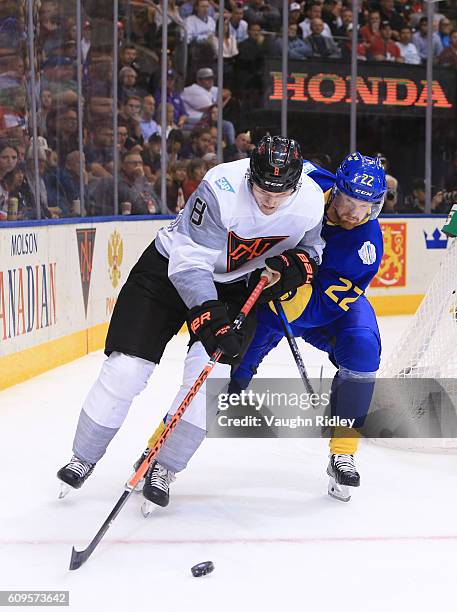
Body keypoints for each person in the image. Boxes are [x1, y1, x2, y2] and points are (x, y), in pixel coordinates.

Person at [57, 136, 326, 502]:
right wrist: (208, 316)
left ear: (295, 184)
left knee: (207, 380)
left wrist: (293, 268)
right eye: (263, 188)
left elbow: (311, 251)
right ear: (250, 175)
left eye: (280, 192)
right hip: (167, 271)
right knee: (126, 369)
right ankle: (83, 456)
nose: (270, 199)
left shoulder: (310, 201)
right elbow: (189, 265)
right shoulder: (221, 187)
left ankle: (165, 465)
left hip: (235, 286)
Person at [230, 153, 387, 501]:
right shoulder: (309, 181)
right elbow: (260, 167)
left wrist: (289, 285)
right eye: (348, 200)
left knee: (363, 349)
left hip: (319, 310)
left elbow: (316, 310)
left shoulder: (366, 247)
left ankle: (343, 451)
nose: (353, 213)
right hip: (272, 296)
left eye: (365, 206)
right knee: (227, 368)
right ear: (337, 190)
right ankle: (164, 449)